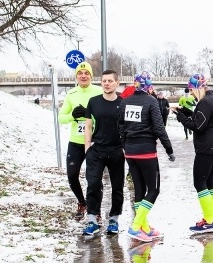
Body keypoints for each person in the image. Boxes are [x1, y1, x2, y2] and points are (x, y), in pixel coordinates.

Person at [119, 71, 175, 242]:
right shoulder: (151, 101)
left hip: (130, 152)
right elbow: (159, 128)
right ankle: (136, 227)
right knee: (154, 189)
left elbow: (120, 127)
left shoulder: (125, 102)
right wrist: (169, 149)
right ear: (149, 86)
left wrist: (125, 146)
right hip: (147, 151)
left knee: (139, 189)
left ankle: (144, 227)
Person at [173, 74, 213, 234]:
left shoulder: (205, 102)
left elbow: (198, 126)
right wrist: (185, 111)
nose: (192, 94)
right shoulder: (212, 99)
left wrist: (181, 117)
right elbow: (202, 119)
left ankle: (209, 221)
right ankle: (212, 218)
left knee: (199, 183)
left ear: (198, 87)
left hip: (207, 148)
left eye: (192, 90)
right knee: (210, 182)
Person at [82, 70, 125, 237]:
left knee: (117, 186)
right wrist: (87, 147)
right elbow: (88, 126)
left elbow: (127, 128)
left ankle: (114, 219)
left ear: (116, 83)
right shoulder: (93, 102)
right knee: (93, 184)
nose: (107, 83)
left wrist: (124, 148)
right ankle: (92, 220)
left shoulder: (123, 103)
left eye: (110, 81)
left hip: (116, 150)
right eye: (104, 81)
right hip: (97, 150)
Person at [58, 62, 103, 220]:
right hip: (76, 141)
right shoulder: (71, 93)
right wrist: (73, 116)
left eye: (86, 73)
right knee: (72, 175)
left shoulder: (99, 91)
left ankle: (96, 210)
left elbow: (106, 117)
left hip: (94, 141)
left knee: (94, 178)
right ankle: (82, 203)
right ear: (76, 76)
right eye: (80, 73)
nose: (83, 76)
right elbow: (61, 118)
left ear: (91, 76)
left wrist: (89, 115)